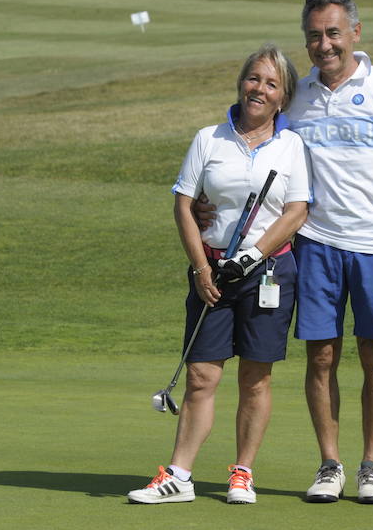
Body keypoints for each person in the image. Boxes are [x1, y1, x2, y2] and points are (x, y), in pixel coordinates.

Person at [194, 0, 373, 504]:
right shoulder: (296, 95)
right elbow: (244, 152)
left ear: (355, 33)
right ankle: (330, 464)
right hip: (314, 243)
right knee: (320, 356)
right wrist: (201, 206)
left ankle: (371, 467)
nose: (324, 44)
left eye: (333, 33)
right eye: (315, 36)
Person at [127, 43, 310, 505]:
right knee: (201, 376)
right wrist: (201, 267)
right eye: (253, 79)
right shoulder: (209, 138)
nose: (259, 89)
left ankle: (242, 473)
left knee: (256, 377)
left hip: (268, 272)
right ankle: (179, 476)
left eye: (271, 84)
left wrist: (252, 256)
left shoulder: (291, 145)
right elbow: (184, 205)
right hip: (212, 273)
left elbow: (297, 211)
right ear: (240, 83)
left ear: (283, 97)